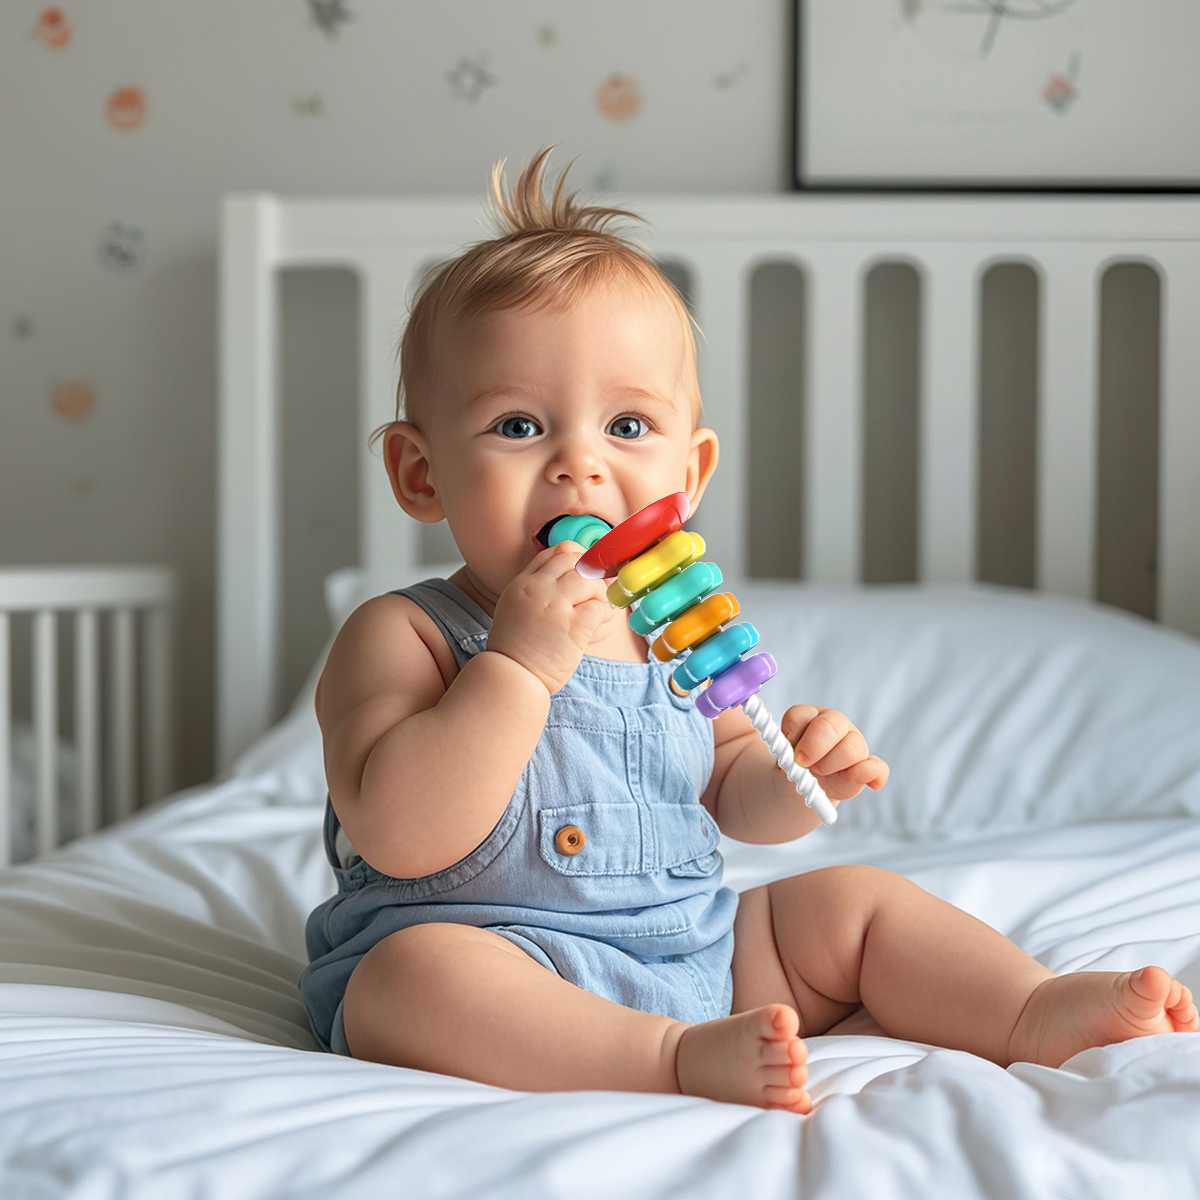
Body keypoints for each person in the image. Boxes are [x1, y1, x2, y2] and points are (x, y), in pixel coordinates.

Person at [299, 146, 1198, 1114]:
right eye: (519, 427)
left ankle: (1029, 1009)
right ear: (419, 474)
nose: (580, 470)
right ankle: (667, 1062)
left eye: (628, 427)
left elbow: (731, 790)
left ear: (689, 474)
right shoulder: (405, 634)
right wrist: (517, 666)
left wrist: (798, 778)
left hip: (696, 947)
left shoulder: (672, 629)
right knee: (412, 979)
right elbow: (402, 835)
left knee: (852, 905)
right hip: (496, 963)